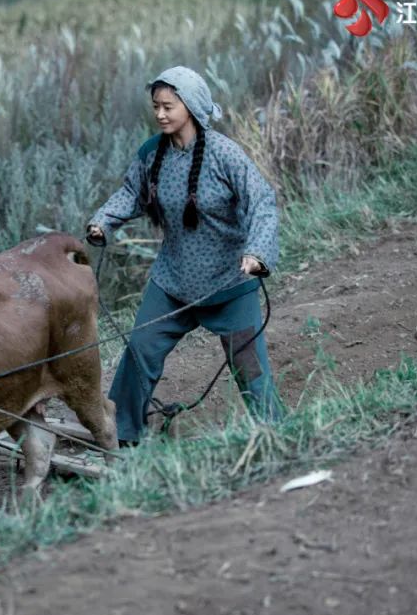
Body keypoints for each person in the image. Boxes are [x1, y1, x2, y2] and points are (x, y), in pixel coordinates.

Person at [86, 66, 284, 444]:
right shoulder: (151, 153)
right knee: (139, 353)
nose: (160, 114)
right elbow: (131, 193)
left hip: (228, 284)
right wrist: (103, 222)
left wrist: (257, 252)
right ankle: (121, 436)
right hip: (173, 282)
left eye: (168, 106)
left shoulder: (225, 154)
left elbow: (261, 202)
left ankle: (276, 434)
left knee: (249, 366)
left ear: (191, 107)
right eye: (156, 106)